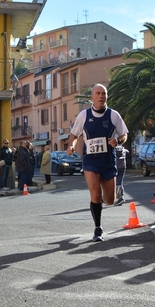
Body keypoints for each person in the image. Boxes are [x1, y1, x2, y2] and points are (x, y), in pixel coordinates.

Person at [67, 83, 129, 242]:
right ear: (92, 98)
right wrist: (71, 146)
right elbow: (74, 135)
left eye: (104, 93)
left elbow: (124, 135)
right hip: (90, 161)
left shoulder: (113, 115)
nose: (101, 96)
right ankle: (98, 228)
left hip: (108, 161)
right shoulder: (84, 115)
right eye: (98, 93)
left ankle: (98, 203)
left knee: (109, 200)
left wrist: (118, 141)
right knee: (95, 193)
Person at [114, 140, 128, 206]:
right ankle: (121, 197)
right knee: (120, 182)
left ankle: (119, 198)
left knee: (115, 182)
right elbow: (128, 152)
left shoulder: (113, 149)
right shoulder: (123, 149)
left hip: (116, 166)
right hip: (122, 167)